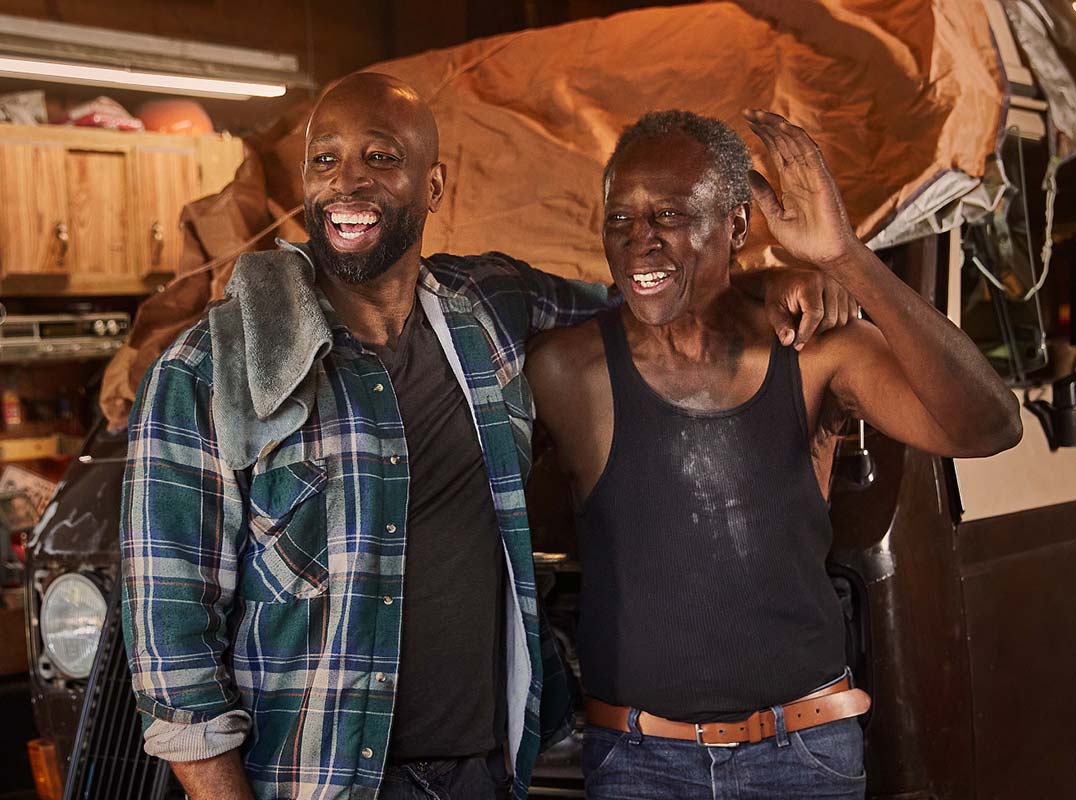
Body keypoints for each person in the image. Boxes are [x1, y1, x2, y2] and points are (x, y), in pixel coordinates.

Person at [120, 74, 855, 800]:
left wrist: (774, 279)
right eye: (325, 160)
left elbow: (653, 293)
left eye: (379, 158)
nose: (347, 182)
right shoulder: (209, 373)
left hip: (486, 770)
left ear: (433, 186)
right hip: (322, 782)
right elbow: (170, 646)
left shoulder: (489, 308)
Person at [525, 109, 1022, 799]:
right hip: (638, 763)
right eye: (620, 219)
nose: (639, 241)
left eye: (668, 214)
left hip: (802, 755)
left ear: (735, 225)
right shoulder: (563, 370)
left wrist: (842, 258)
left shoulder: (813, 350)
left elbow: (987, 427)